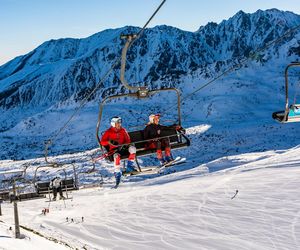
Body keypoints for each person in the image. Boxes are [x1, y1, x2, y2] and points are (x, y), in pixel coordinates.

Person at [100, 116, 137, 187]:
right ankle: (117, 173)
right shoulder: (108, 132)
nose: (119, 124)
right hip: (114, 150)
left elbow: (128, 140)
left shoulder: (123, 130)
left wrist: (124, 144)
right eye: (118, 123)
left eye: (120, 122)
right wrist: (109, 142)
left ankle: (130, 166)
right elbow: (102, 142)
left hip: (123, 148)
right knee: (116, 157)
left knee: (133, 149)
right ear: (113, 124)